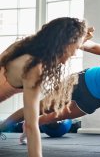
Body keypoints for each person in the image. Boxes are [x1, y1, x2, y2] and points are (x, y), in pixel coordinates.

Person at [0, 17, 90, 157]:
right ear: (64, 43)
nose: (75, 54)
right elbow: (30, 125)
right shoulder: (33, 68)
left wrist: (82, 37)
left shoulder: (24, 46)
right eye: (76, 48)